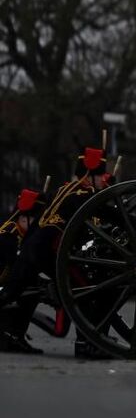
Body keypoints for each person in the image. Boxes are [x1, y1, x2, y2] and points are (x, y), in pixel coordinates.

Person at [0, 147, 113, 358]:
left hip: (33, 249)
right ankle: (86, 342)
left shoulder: (64, 189)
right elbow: (103, 211)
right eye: (100, 176)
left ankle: (11, 335)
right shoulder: (85, 193)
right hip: (49, 252)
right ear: (90, 175)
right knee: (85, 289)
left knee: (9, 294)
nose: (102, 180)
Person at [0, 188, 48, 353]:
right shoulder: (9, 236)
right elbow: (14, 270)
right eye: (35, 220)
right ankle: (11, 336)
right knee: (28, 290)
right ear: (23, 218)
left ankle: (14, 335)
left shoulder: (19, 233)